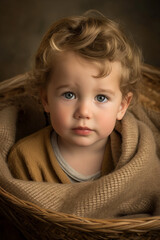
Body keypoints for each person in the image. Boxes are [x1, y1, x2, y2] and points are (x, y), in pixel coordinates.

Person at [7, 10, 142, 183]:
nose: (84, 112)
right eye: (69, 95)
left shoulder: (131, 154)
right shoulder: (26, 158)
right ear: (46, 99)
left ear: (122, 106)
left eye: (101, 98)